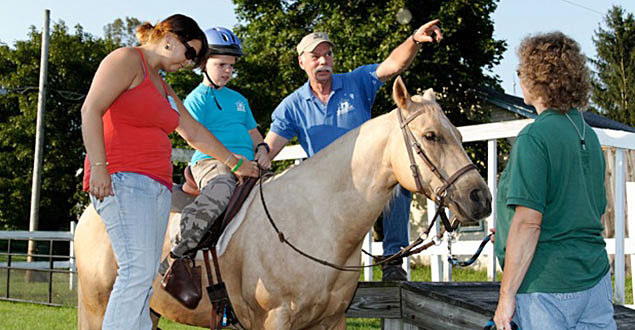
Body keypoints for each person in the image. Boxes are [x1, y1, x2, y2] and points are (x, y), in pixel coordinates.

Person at [81, 15, 258, 329]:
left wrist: (235, 163)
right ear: (170, 38)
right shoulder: (126, 59)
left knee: (145, 276)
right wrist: (98, 167)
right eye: (191, 53)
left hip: (157, 186)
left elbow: (193, 132)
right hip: (123, 179)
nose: (191, 64)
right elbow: (91, 108)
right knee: (137, 271)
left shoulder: (161, 84)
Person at [264, 20, 442, 281]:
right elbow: (269, 148)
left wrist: (414, 39)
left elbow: (393, 65)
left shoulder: (356, 82)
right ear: (302, 62)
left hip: (367, 179)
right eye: (315, 56)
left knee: (399, 185)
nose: (323, 61)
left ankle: (393, 261)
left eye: (328, 54)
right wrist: (240, 164)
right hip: (325, 187)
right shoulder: (291, 106)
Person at [493, 32, 615, 330]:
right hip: (595, 281)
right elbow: (591, 210)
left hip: (546, 286)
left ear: (538, 78)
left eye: (522, 70)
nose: (519, 77)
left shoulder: (535, 137)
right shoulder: (587, 134)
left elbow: (529, 222)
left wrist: (506, 296)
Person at [159, 27, 270, 272]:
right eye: (222, 65)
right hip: (211, 162)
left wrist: (262, 149)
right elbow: (193, 138)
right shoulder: (197, 99)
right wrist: (233, 160)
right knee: (221, 189)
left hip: (249, 165)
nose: (228, 71)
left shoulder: (240, 100)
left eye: (231, 66)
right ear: (204, 64)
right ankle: (179, 251)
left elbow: (254, 134)